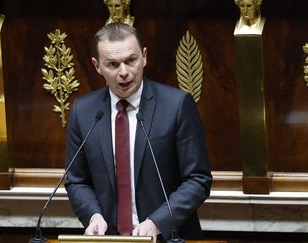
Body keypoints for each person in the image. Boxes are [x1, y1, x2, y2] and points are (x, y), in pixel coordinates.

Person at [64, 23, 212, 242]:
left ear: (144, 57)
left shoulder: (177, 105)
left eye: (130, 61)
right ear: (97, 66)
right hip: (108, 239)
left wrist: (158, 222)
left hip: (168, 237)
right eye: (113, 64)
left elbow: (198, 179)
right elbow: (76, 180)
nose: (124, 72)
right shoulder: (83, 112)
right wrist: (93, 216)